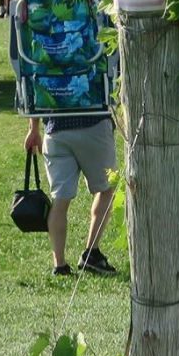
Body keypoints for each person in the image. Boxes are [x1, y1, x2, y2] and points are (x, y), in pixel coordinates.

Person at [26, 111, 118, 276]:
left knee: (59, 200)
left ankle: (59, 265)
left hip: (55, 131)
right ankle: (92, 253)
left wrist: (33, 129)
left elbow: (32, 91)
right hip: (93, 123)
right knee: (106, 190)